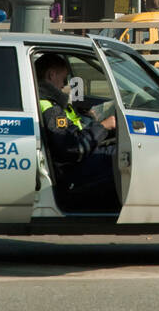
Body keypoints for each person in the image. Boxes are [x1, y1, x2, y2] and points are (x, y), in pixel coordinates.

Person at [35, 53, 118, 212]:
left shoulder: (53, 103)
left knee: (116, 152)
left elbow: (73, 134)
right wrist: (103, 127)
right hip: (72, 173)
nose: (64, 84)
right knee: (123, 158)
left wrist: (91, 121)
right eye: (64, 78)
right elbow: (73, 149)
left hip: (78, 162)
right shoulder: (50, 107)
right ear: (51, 75)